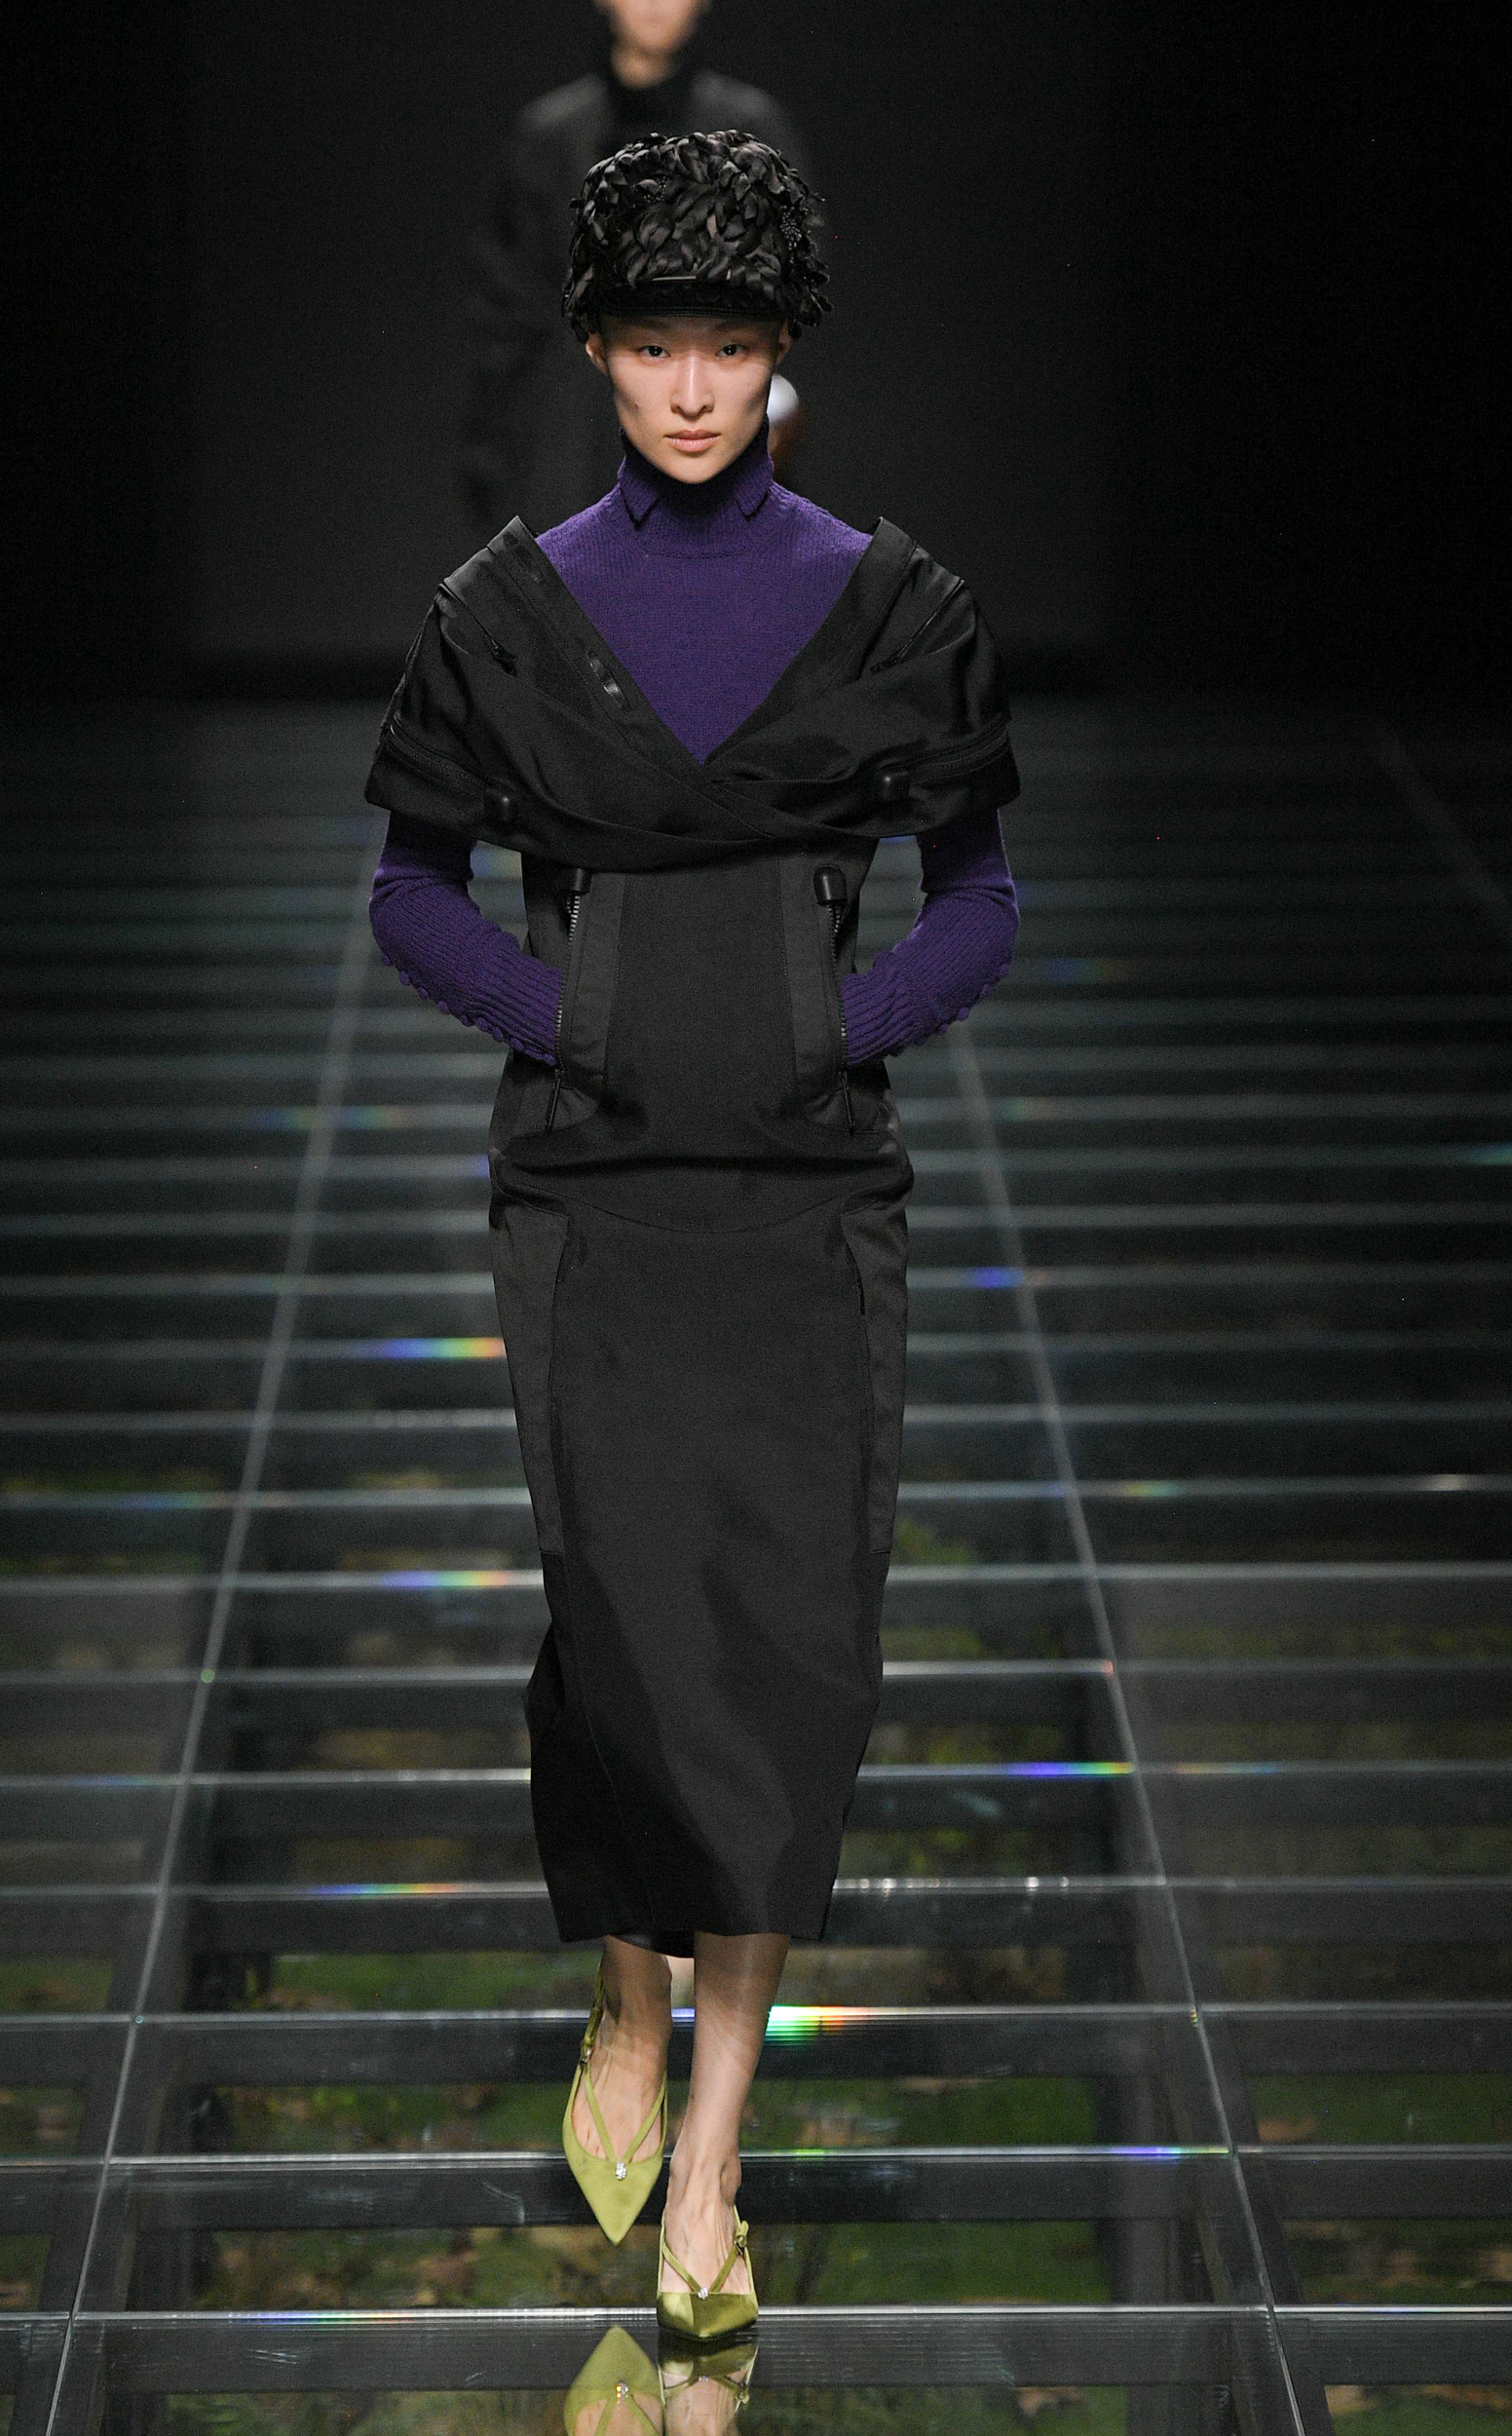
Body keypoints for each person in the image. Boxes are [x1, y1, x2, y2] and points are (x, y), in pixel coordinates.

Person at [366, 131, 1020, 2341]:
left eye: (726, 344)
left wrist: (837, 1033)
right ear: (593, 347)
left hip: (812, 1195)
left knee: (789, 1657)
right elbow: (406, 890)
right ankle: (628, 2002)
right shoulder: (505, 613)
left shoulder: (897, 608)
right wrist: (575, 1023)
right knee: (629, 1631)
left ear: (778, 354)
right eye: (652, 342)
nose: (688, 385)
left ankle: (715, 2151)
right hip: (594, 1185)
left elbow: (986, 897)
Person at [459, 0, 810, 535]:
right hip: (568, 448)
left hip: (709, 441)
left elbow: (793, 290)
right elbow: (505, 318)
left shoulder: (751, 129)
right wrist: (493, 463)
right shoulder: (549, 137)